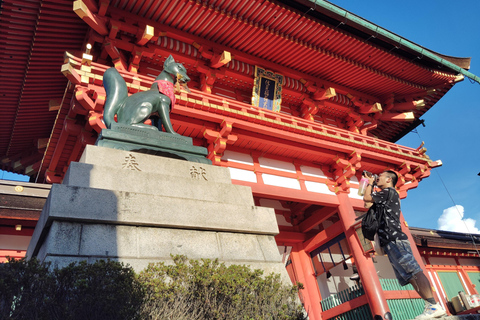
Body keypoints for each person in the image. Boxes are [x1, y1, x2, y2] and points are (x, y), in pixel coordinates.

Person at [363, 170, 447, 319]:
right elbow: (367, 202)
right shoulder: (385, 196)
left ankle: (434, 305)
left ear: (389, 179)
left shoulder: (389, 191)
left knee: (414, 271)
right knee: (409, 276)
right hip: (391, 241)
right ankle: (430, 306)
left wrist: (370, 183)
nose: (378, 178)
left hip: (395, 239)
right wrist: (367, 183)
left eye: (380, 176)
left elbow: (367, 196)